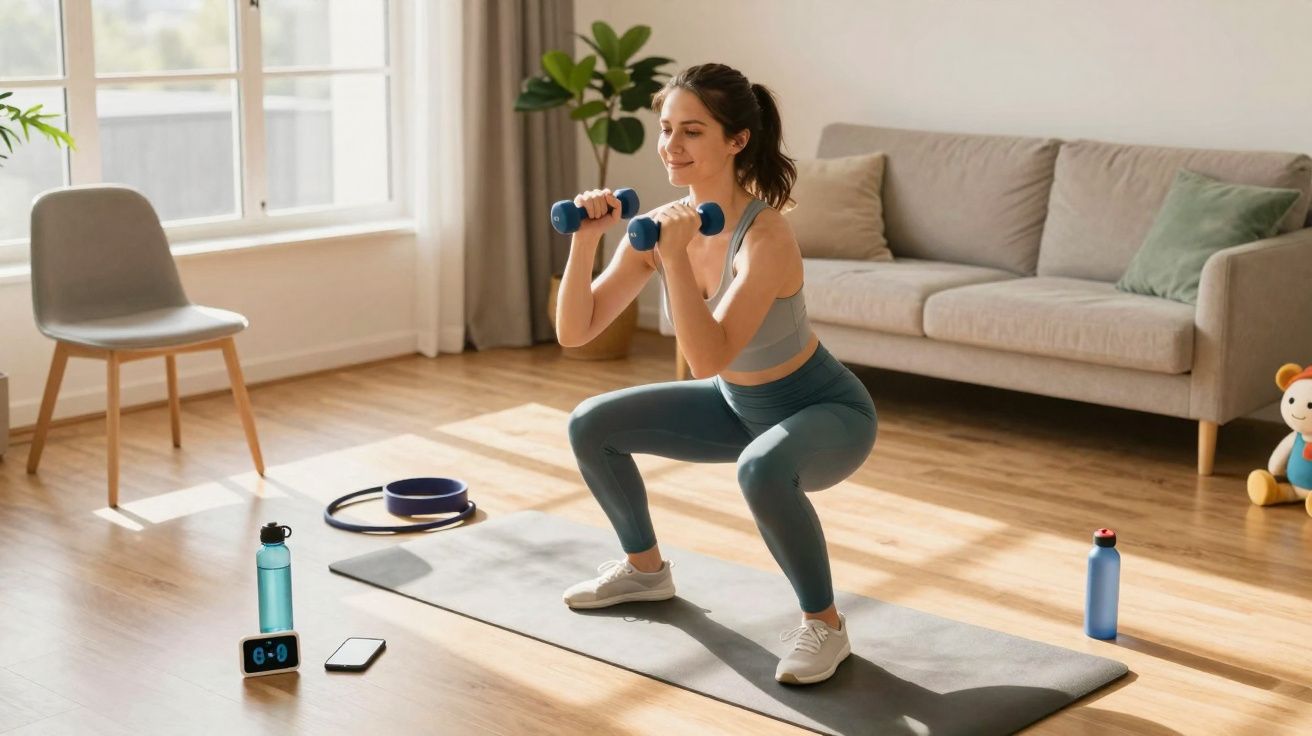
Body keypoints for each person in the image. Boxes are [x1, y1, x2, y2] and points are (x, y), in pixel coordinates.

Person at [555, 62, 877, 685]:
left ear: (736, 141)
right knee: (591, 423)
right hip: (737, 407)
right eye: (667, 128)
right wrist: (586, 240)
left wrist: (671, 259)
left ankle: (826, 626)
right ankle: (645, 571)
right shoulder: (665, 228)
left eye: (692, 132)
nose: (671, 147)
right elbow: (576, 331)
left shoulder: (767, 237)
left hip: (825, 413)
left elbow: (708, 356)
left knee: (761, 469)